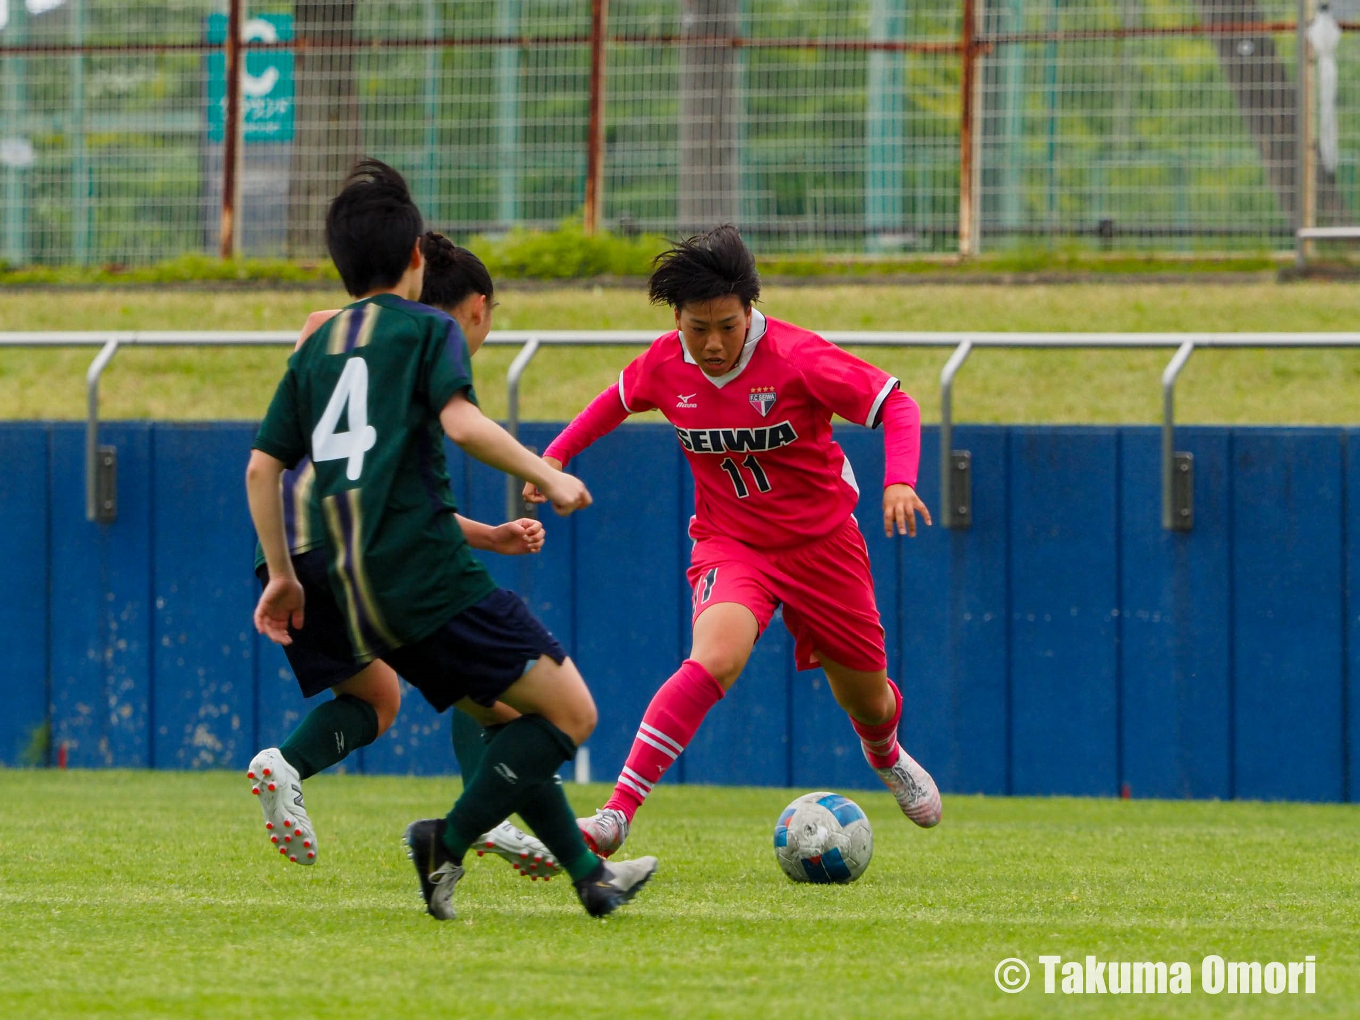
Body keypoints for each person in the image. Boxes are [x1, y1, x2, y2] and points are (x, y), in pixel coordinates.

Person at [246, 159, 657, 919]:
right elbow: (464, 425)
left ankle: (584, 875)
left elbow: (263, 467)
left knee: (496, 716)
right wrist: (553, 473)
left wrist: (280, 574)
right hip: (420, 577)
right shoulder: (429, 332)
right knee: (570, 715)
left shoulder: (316, 342)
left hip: (344, 578)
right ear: (416, 262)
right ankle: (458, 836)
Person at [524, 225, 942, 858]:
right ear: (677, 318)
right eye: (699, 327)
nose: (714, 343)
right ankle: (615, 814)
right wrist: (555, 455)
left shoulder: (801, 357)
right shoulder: (666, 362)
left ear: (751, 310)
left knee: (869, 694)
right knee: (714, 657)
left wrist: (900, 481)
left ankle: (884, 753)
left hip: (824, 546)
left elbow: (898, 406)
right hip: (732, 544)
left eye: (727, 325)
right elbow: (616, 400)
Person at [246, 233, 559, 880]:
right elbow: (399, 493)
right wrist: (546, 480)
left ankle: (287, 763)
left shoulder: (334, 333)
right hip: (364, 550)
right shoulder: (420, 350)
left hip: (290, 546)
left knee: (379, 696)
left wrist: (489, 535)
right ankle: (495, 818)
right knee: (482, 680)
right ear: (472, 308)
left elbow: (343, 480)